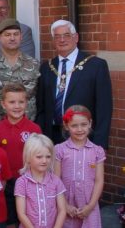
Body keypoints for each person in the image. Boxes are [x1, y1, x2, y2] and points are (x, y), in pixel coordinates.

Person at [36, 19, 112, 150]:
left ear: (76, 37)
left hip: (83, 135)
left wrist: (99, 144)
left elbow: (104, 108)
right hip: (51, 137)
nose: (62, 40)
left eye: (66, 35)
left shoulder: (95, 65)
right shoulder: (46, 68)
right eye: (57, 36)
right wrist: (41, 137)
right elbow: (41, 107)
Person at [0, 83, 41, 227]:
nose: (17, 106)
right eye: (12, 102)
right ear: (3, 104)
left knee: (27, 218)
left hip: (28, 182)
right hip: (6, 182)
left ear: (26, 103)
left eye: (21, 102)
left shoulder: (34, 129)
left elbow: (40, 155)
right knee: (9, 219)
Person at [54, 105, 105, 227]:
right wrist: (65, 205)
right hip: (66, 203)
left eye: (83, 124)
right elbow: (56, 180)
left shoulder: (97, 151)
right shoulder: (59, 150)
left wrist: (91, 206)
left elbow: (99, 180)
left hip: (88, 203)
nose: (79, 129)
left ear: (90, 123)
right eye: (74, 126)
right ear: (66, 126)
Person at [0, 18, 40, 120]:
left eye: (16, 34)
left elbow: (39, 97)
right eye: (7, 35)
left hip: (27, 126)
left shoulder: (33, 64)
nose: (12, 38)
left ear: (21, 37)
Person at [14, 134, 67, 228]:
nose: (44, 161)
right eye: (39, 157)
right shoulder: (22, 182)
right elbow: (21, 214)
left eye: (48, 156)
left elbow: (62, 210)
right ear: (28, 158)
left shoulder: (56, 181)